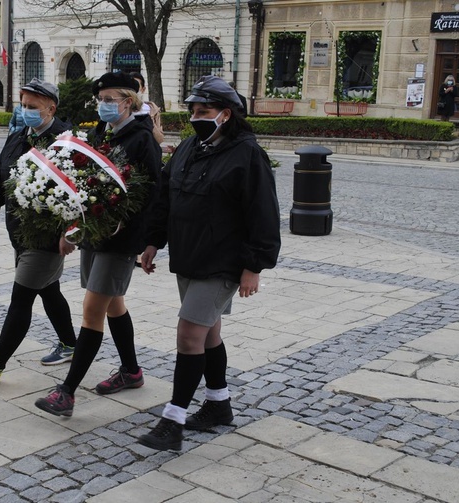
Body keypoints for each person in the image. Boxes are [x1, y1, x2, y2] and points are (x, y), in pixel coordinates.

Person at [137, 75, 281, 451]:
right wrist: (153, 241)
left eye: (204, 111)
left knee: (189, 334)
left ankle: (173, 421)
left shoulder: (248, 155)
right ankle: (219, 404)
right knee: (209, 334)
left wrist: (254, 266)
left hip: (223, 262)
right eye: (193, 111)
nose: (196, 117)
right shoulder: (188, 148)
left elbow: (263, 214)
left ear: (226, 115)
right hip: (189, 256)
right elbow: (165, 199)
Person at [35, 71, 162, 417]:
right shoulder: (101, 132)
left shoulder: (142, 139)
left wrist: (150, 241)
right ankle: (132, 372)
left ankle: (67, 392)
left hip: (120, 240)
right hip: (96, 233)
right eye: (101, 99)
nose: (103, 105)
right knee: (113, 305)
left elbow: (153, 194)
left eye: (110, 100)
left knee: (92, 312)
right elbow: (84, 185)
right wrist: (71, 227)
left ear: (129, 101)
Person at [0, 78, 78, 382]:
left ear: (51, 108)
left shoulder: (65, 142)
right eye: (23, 105)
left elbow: (80, 192)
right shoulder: (19, 137)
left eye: (32, 107)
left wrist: (70, 232)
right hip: (19, 232)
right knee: (49, 290)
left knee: (22, 297)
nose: (25, 111)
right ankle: (69, 344)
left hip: (47, 237)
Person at [130, 72, 164, 143]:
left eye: (136, 86)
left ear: (143, 89)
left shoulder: (152, 110)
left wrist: (149, 120)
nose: (133, 90)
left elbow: (159, 139)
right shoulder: (120, 108)